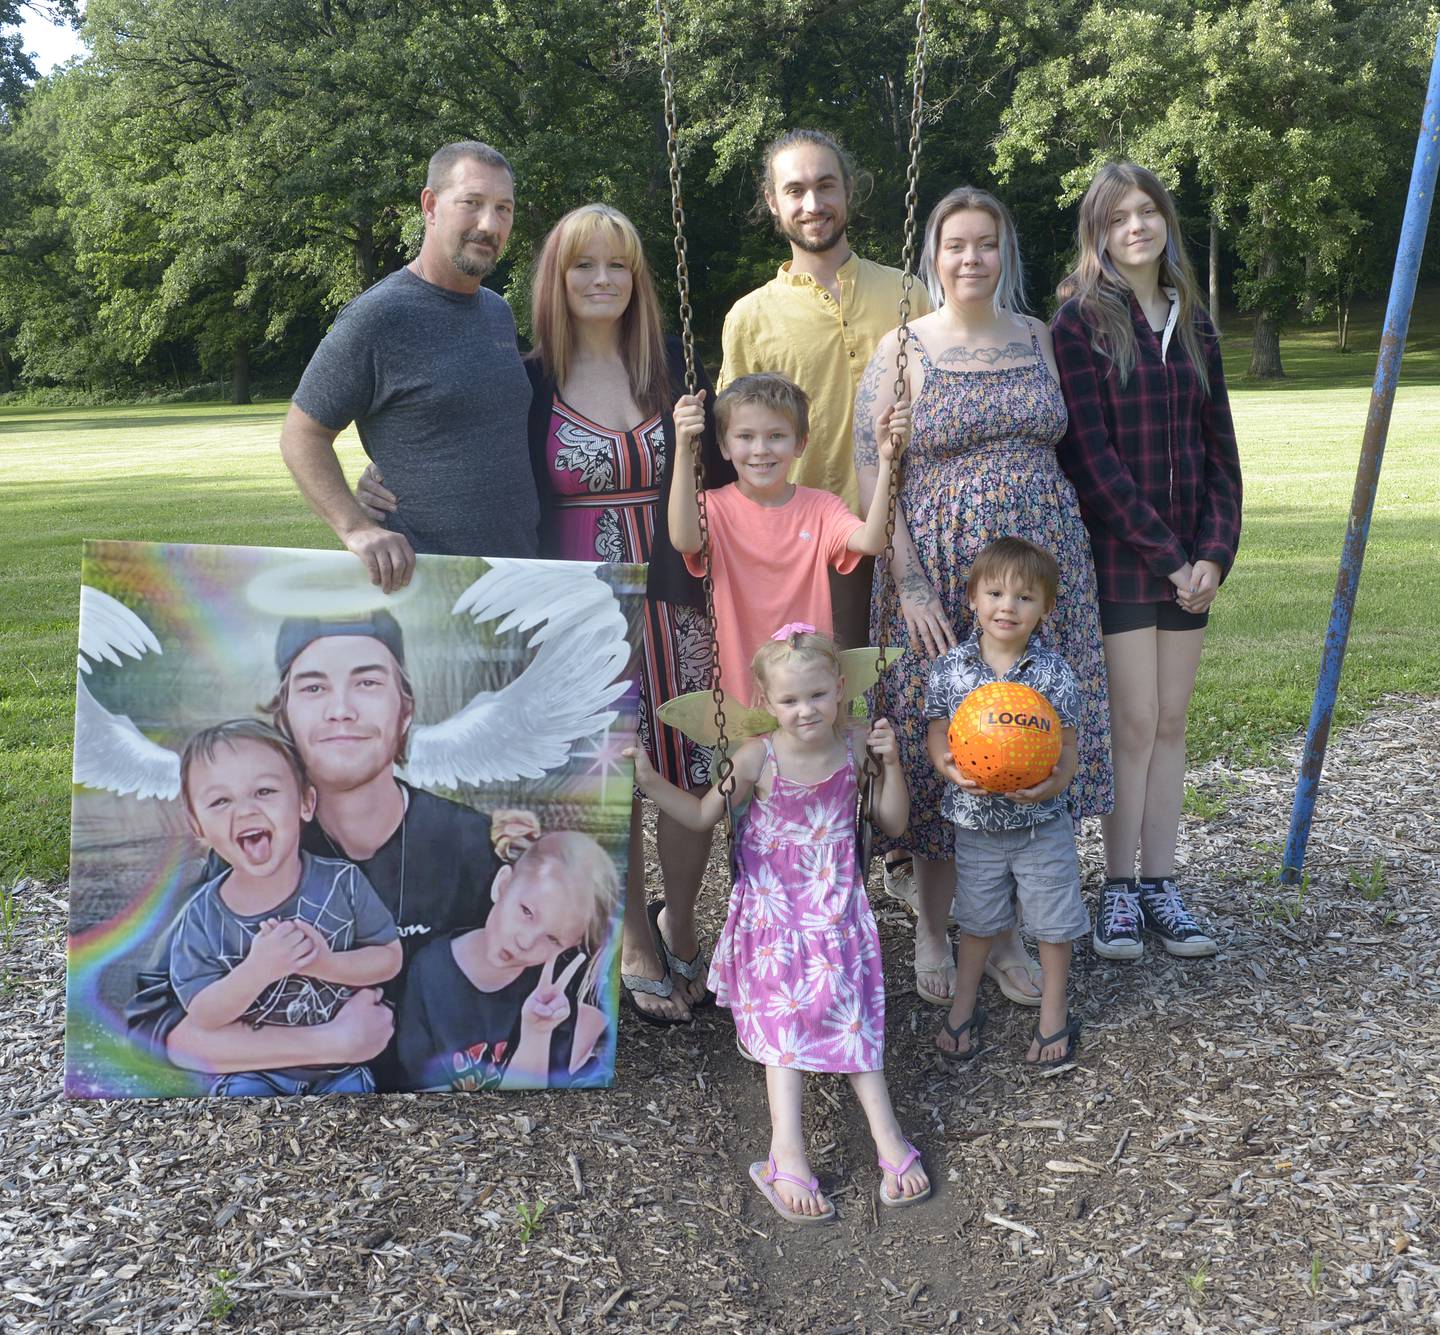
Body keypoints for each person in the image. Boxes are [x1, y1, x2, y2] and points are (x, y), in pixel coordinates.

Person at [354, 202, 735, 1028]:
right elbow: (457, 459)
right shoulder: (528, 381)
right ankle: (635, 938)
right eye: (582, 267)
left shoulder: (675, 366)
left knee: (693, 761)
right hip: (580, 611)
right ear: (555, 283)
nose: (602, 281)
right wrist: (374, 490)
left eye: (618, 266)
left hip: (680, 598)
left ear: (637, 280)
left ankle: (683, 920)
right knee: (609, 772)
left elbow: (738, 483)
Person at [855, 186, 1113, 1009]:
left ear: (1006, 254)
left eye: (987, 244)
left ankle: (1004, 931)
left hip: (1040, 574)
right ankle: (938, 926)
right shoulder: (901, 349)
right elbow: (874, 471)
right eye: (956, 244)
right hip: (938, 567)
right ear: (932, 254)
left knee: (1029, 729)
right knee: (950, 741)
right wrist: (908, 581)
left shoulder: (1040, 337)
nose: (971, 258)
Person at [127, 612, 500, 1092]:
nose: (340, 709)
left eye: (366, 682)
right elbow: (156, 1025)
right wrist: (330, 1044)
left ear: (404, 709)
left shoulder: (471, 841)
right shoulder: (251, 852)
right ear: (283, 716)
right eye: (313, 688)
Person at [628, 630, 930, 1221]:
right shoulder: (755, 757)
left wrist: (892, 764)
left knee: (853, 1017)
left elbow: (893, 823)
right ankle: (785, 1152)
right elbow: (699, 813)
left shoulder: (855, 748)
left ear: (841, 689)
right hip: (773, 914)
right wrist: (647, 780)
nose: (805, 710)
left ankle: (887, 1138)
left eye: (817, 694)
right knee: (786, 1026)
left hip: (838, 907)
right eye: (789, 701)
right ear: (766, 703)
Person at [1050, 162, 1242, 961]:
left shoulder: (1194, 324)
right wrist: (1167, 558)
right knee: (1131, 724)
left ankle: (1163, 884)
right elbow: (1091, 462)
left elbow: (1220, 452)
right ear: (1098, 232)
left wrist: (1212, 556)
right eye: (1120, 216)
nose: (1138, 226)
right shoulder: (1081, 325)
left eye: (1149, 212)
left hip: (1189, 563)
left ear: (1166, 221)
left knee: (1170, 722)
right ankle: (1118, 890)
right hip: (1125, 559)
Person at [279, 141, 538, 593]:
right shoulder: (379, 317)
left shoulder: (498, 312)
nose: (489, 224)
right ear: (431, 205)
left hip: (518, 583)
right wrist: (356, 527)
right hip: (424, 589)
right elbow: (302, 435)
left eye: (504, 209)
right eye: (471, 204)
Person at [719, 128, 931, 651]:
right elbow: (737, 450)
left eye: (826, 186)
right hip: (806, 550)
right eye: (795, 191)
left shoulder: (906, 292)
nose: (812, 204)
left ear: (848, 191)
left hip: (914, 535)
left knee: (903, 709)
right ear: (773, 202)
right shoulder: (751, 317)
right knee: (814, 714)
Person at [169, 720, 402, 1096]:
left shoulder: (343, 883)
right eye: (220, 801)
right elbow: (203, 1014)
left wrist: (324, 964)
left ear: (306, 803)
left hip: (342, 1070)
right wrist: (259, 970)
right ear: (197, 824)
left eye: (264, 791)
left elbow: (389, 957)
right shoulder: (201, 918)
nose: (244, 812)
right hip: (251, 1074)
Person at [924, 539, 1089, 1071]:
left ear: (1045, 609)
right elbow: (936, 732)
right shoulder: (952, 671)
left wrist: (1055, 782)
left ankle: (1054, 1013)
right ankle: (966, 1005)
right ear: (972, 598)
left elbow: (1066, 745)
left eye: (1024, 597)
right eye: (994, 593)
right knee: (976, 920)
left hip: (1041, 823)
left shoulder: (1054, 673)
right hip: (977, 825)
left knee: (1053, 921)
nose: (1007, 607)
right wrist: (946, 765)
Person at [669, 372, 900, 710]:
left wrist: (887, 461)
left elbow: (872, 540)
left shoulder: (820, 507)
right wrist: (683, 449)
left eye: (776, 436)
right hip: (742, 692)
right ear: (724, 446)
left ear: (800, 443)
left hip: (809, 689)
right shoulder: (712, 507)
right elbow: (683, 539)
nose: (761, 450)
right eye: (745, 436)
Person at [396, 832, 620, 1090]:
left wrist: (537, 1031)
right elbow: (418, 1084)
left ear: (570, 946)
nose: (525, 941)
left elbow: (531, 1095)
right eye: (526, 912)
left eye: (552, 938)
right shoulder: (428, 969)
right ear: (502, 885)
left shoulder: (554, 997)